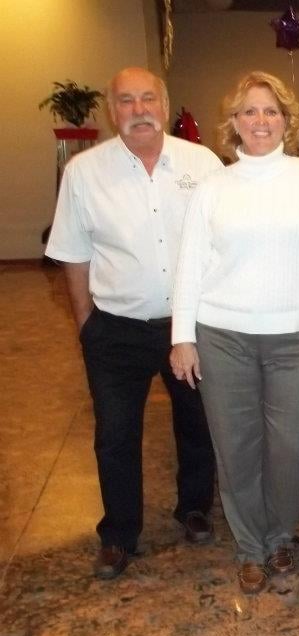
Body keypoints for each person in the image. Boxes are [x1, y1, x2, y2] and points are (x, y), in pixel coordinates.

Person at [170, 71, 299, 595]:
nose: (260, 121)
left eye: (270, 111)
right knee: (236, 448)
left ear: (286, 119)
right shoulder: (214, 187)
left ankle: (280, 533)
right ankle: (249, 547)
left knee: (290, 448)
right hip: (223, 337)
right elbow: (190, 264)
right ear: (234, 122)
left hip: (298, 339)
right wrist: (182, 337)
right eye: (249, 111)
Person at [46, 67, 222, 580]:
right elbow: (73, 255)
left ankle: (195, 508)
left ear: (164, 105)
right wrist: (87, 325)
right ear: (111, 110)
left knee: (197, 422)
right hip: (116, 329)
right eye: (127, 100)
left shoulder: (203, 164)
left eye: (148, 99)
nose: (139, 110)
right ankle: (119, 534)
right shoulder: (83, 172)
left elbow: (224, 241)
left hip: (188, 326)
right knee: (115, 435)